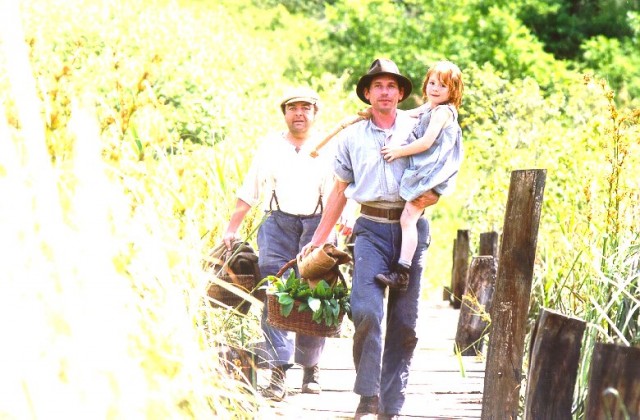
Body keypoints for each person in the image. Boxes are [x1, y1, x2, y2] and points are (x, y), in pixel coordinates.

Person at [300, 58, 441, 419]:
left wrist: (437, 194)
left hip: (411, 228)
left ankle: (392, 403)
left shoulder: (419, 127)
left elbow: (445, 161)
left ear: (401, 93)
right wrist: (319, 239)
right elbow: (338, 192)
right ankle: (368, 394)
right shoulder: (352, 137)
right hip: (371, 229)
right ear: (367, 93)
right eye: (378, 86)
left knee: (405, 322)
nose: (385, 92)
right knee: (366, 310)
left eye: (392, 86)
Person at [222, 87, 337, 401]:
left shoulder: (330, 145)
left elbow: (341, 193)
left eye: (305, 108)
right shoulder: (270, 146)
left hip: (319, 223)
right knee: (275, 293)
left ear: (315, 113)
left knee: (316, 295)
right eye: (292, 108)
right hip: (277, 224)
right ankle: (278, 373)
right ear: (284, 113)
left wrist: (333, 231)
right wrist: (231, 228)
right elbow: (249, 190)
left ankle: (311, 366)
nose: (299, 113)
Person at [375, 60, 464, 291]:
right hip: (426, 169)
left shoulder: (443, 112)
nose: (435, 89)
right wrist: (374, 112)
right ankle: (401, 269)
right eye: (432, 83)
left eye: (442, 86)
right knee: (408, 218)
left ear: (452, 91)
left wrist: (398, 151)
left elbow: (426, 142)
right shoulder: (431, 107)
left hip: (431, 172)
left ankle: (402, 272)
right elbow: (405, 115)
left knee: (408, 219)